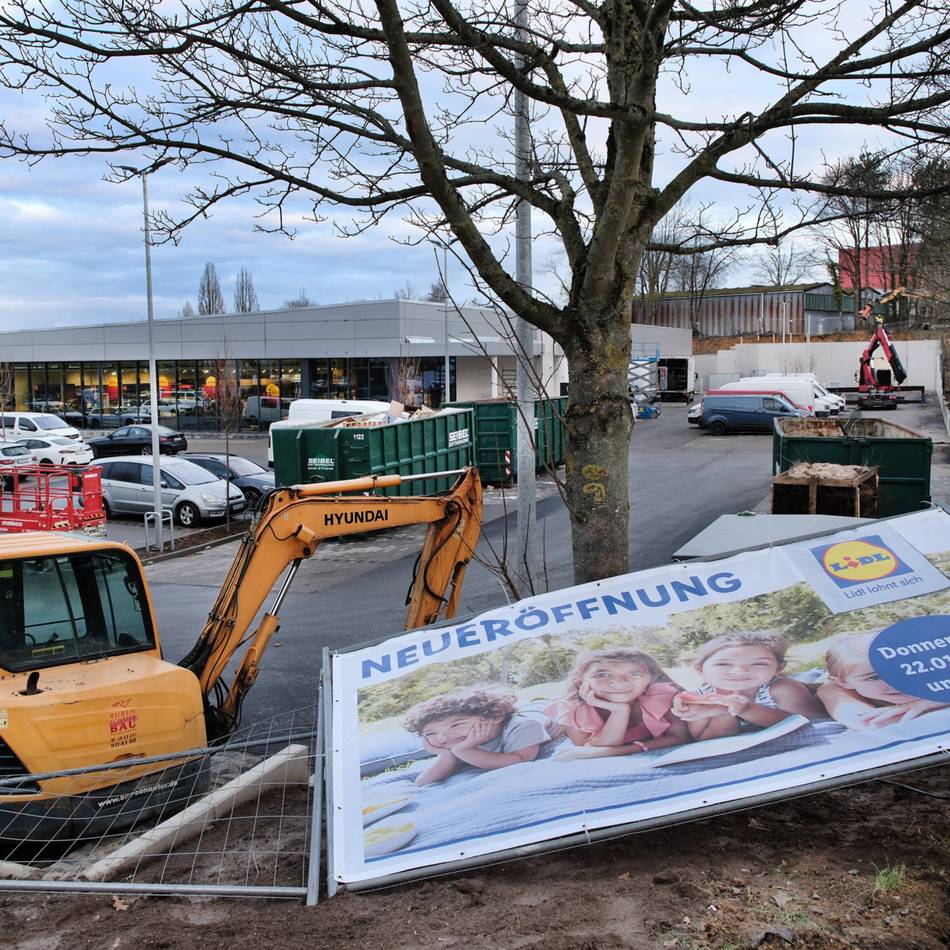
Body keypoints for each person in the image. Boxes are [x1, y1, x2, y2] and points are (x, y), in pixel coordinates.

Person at [672, 632, 826, 741]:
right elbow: (707, 740)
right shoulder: (699, 697)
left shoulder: (782, 689)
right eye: (723, 663)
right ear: (699, 669)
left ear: (778, 668)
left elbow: (814, 724)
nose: (739, 672)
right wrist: (722, 713)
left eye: (759, 663)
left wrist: (746, 710)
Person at [546, 648, 690, 761]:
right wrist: (619, 712)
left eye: (635, 674)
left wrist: (617, 751)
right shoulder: (572, 709)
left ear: (650, 679)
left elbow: (680, 737)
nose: (620, 682)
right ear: (580, 682)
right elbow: (588, 749)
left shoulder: (661, 695)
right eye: (602, 675)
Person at [403, 688, 549, 786]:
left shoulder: (523, 726)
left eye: (456, 725)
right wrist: (447, 756)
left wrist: (464, 751)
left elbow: (520, 760)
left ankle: (538, 700)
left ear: (494, 717)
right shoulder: (456, 743)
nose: (443, 737)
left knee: (539, 704)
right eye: (431, 733)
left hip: (538, 711)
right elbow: (421, 782)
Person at [818, 632, 949, 730]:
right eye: (874, 677)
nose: (896, 682)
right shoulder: (835, 691)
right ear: (843, 683)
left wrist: (928, 702)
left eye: (906, 668)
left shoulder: (939, 671)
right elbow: (877, 725)